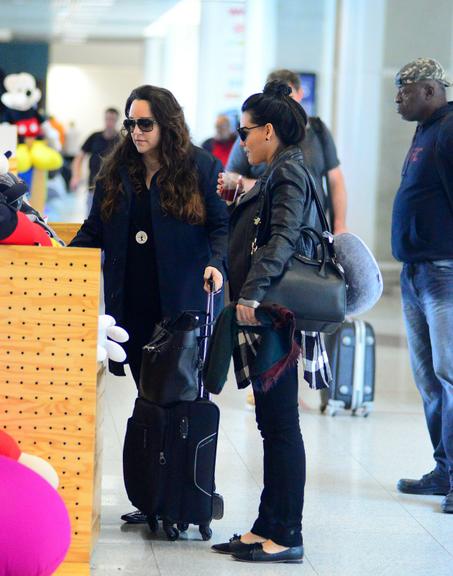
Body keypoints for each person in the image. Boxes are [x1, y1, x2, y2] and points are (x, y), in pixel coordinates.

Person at [69, 85, 229, 521]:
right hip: (133, 304)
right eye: (130, 123)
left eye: (145, 124)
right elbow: (94, 230)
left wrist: (217, 264)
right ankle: (154, 497)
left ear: (166, 124)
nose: (136, 132)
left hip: (179, 306)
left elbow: (220, 227)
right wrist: (56, 254)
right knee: (147, 399)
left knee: (177, 402)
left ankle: (179, 498)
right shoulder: (117, 167)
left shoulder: (198, 166)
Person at [210, 81, 329, 564]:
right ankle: (266, 525)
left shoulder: (291, 170)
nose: (242, 141)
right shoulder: (282, 167)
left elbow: (282, 237)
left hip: (276, 312)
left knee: (281, 425)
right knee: (270, 423)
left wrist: (254, 291)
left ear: (269, 131)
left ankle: (288, 533)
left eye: (246, 132)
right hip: (270, 310)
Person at [391, 58, 453, 514]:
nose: (398, 97)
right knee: (430, 380)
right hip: (417, 272)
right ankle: (444, 470)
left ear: (431, 90)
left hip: (444, 272)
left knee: (450, 376)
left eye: (405, 90)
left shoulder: (450, 131)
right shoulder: (426, 129)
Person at [225, 69, 348, 234]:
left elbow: (335, 181)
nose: (283, 109)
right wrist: (263, 186)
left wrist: (339, 225)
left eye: (288, 99)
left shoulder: (318, 131)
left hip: (313, 232)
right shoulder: (251, 138)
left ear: (300, 94)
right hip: (264, 229)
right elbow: (229, 181)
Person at [70, 108, 120, 208]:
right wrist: (76, 175)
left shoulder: (121, 140)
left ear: (117, 121)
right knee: (91, 218)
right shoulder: (94, 137)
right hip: (93, 188)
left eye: (112, 119)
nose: (109, 122)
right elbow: (79, 157)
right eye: (107, 119)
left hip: (114, 190)